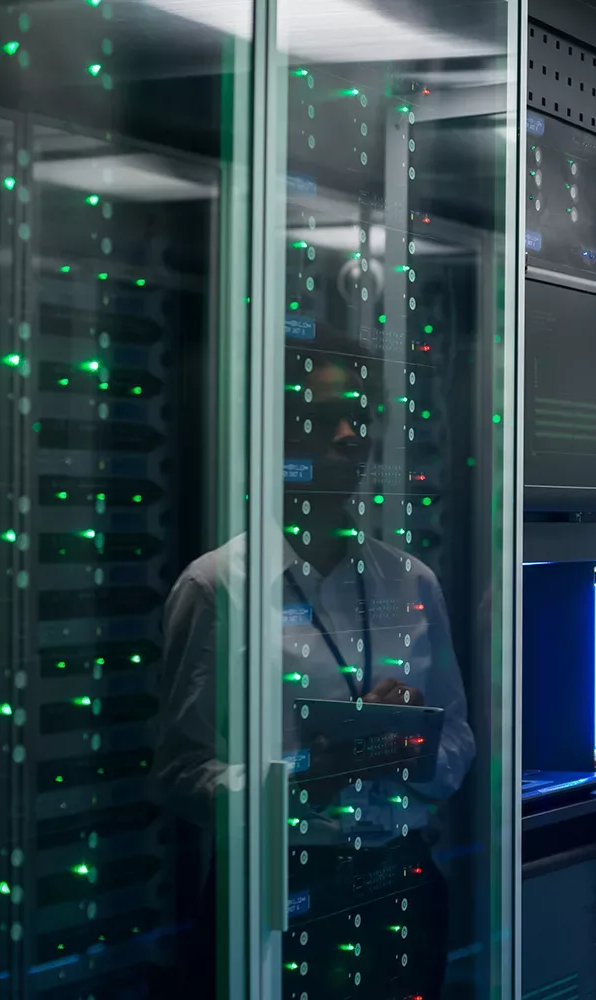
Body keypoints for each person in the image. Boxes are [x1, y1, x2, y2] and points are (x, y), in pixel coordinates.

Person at [154, 331, 474, 999]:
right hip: (279, 884)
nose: (351, 436)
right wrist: (308, 776)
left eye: (358, 416)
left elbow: (458, 738)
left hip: (401, 878)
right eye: (326, 418)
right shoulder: (218, 586)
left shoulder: (412, 580)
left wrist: (413, 745)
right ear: (275, 436)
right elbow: (180, 774)